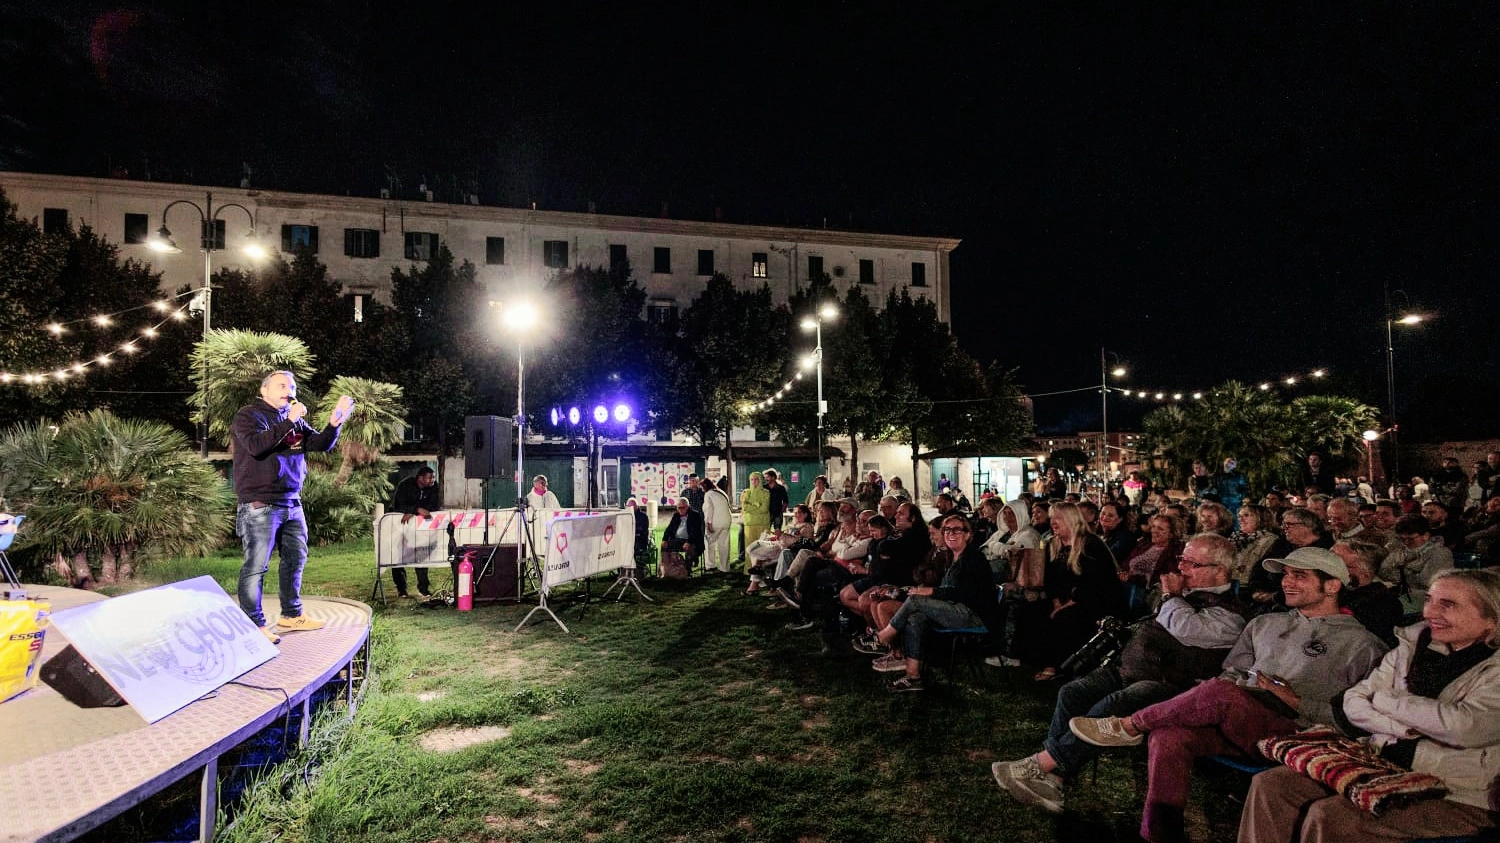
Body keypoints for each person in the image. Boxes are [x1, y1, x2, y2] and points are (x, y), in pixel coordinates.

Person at [1068, 546, 1388, 843]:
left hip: (1301, 732)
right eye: (1286, 575)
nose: (1287, 582)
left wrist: (1297, 702)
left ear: (1332, 586)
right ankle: (1158, 836)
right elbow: (1231, 674)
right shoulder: (1264, 623)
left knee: (1221, 694)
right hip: (1241, 719)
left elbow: (1361, 721)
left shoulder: (1363, 646)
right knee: (1168, 736)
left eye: (1299, 576)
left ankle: (1129, 726)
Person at [1237, 569, 1500, 843]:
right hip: (1379, 763)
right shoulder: (1411, 647)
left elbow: (1464, 728)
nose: (1430, 612)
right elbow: (1353, 704)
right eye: (1430, 600)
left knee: (1334, 816)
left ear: (1491, 619)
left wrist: (1386, 701)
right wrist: (1406, 727)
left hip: (1460, 790)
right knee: (1273, 784)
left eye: (1448, 605)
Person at [993, 533, 1247, 815]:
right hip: (1132, 669)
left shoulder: (1230, 615)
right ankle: (1055, 779)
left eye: (1192, 564)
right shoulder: (1187, 594)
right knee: (1072, 692)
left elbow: (1185, 628)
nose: (1181, 568)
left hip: (1172, 686)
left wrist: (1171, 596)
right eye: (1182, 560)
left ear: (1219, 571)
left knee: (1112, 705)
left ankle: (1043, 765)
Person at [232, 371, 354, 644]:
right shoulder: (249, 415)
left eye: (292, 386)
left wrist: (334, 424)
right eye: (282, 385)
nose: (289, 389)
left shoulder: (294, 419)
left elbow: (320, 443)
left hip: (291, 500)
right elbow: (255, 447)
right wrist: (288, 420)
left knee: (295, 559)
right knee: (256, 565)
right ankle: (254, 624)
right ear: (264, 391)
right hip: (260, 503)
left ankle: (291, 614)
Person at [865, 514, 1000, 692]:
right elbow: (948, 591)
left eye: (957, 529)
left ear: (967, 534)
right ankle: (913, 676)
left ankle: (885, 635)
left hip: (974, 615)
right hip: (955, 610)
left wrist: (931, 592)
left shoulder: (974, 558)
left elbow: (966, 593)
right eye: (947, 530)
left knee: (915, 601)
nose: (951, 533)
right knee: (916, 617)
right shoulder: (953, 557)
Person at [1380, 513, 1455, 613]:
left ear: (1426, 536)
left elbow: (1427, 581)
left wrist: (1401, 571)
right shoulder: (1401, 550)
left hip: (1430, 599)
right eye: (1402, 539)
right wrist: (1408, 573)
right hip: (1406, 595)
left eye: (1410, 539)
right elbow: (1383, 570)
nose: (1406, 543)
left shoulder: (1440, 553)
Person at [391, 465, 439, 598]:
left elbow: (433, 507)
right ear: (420, 478)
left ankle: (423, 588)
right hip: (401, 527)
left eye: (433, 477)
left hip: (421, 529)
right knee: (398, 557)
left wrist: (415, 512)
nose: (432, 480)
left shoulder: (434, 488)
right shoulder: (405, 485)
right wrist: (416, 510)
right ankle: (401, 589)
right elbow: (398, 505)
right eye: (429, 478)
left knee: (422, 555)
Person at [739, 471, 770, 570]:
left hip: (763, 523)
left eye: (756, 479)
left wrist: (751, 506)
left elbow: (764, 509)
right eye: (752, 479)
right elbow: (745, 507)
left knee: (763, 547)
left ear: (760, 480)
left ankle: (763, 568)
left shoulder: (766, 493)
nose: (754, 482)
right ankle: (749, 568)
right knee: (749, 547)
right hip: (749, 523)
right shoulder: (746, 493)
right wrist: (757, 505)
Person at [701, 474, 732, 573]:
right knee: (724, 545)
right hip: (727, 521)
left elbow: (710, 509)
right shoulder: (721, 492)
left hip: (715, 521)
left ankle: (710, 566)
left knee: (709, 543)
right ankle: (725, 567)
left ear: (705, 486)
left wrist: (709, 523)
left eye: (702, 487)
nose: (701, 490)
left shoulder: (708, 494)